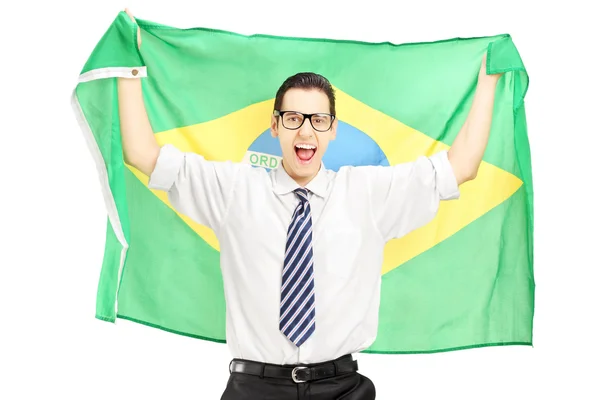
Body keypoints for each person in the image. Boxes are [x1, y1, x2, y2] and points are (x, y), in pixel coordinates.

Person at [119, 9, 503, 400]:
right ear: (275, 126)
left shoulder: (366, 193)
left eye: (319, 119)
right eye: (293, 118)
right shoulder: (233, 190)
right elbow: (142, 154)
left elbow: (461, 167)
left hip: (341, 387)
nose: (305, 130)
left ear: (333, 129)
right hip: (254, 388)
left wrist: (488, 79)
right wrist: (128, 67)